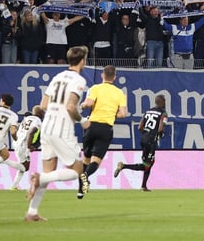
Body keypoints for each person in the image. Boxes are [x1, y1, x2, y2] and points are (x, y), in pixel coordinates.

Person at [24, 45, 89, 222]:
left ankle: (32, 212)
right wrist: (82, 121)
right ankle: (39, 178)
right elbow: (70, 107)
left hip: (47, 127)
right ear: (82, 61)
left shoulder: (57, 77)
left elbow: (41, 106)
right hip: (62, 129)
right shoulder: (79, 80)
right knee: (77, 170)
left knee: (49, 171)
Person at [79, 64, 128, 198]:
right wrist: (112, 114)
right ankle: (86, 176)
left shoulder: (95, 88)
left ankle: (80, 190)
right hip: (105, 128)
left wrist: (82, 105)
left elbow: (88, 104)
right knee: (96, 160)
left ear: (102, 75)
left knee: (86, 158)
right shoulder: (119, 93)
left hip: (91, 125)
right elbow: (123, 114)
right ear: (115, 77)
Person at [114, 95, 166, 192]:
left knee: (150, 162)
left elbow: (139, 127)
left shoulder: (148, 111)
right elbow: (160, 128)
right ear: (162, 102)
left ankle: (144, 186)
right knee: (146, 165)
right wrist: (159, 135)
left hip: (143, 138)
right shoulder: (163, 113)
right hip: (151, 140)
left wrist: (146, 133)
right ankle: (123, 166)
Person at [8, 106, 45, 190]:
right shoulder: (37, 121)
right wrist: (29, 145)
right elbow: (32, 132)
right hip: (23, 144)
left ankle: (14, 186)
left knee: (23, 165)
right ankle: (4, 161)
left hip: (17, 141)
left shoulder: (27, 118)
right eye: (42, 113)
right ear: (39, 113)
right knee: (25, 167)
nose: (43, 115)